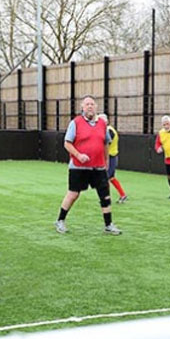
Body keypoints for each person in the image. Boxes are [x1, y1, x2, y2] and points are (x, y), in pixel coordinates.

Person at [55, 96, 121, 235]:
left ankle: (108, 225)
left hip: (98, 167)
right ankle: (60, 220)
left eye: (92, 104)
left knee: (105, 195)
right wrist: (78, 155)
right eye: (87, 104)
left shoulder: (102, 124)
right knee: (73, 194)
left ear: (96, 107)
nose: (90, 106)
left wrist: (106, 161)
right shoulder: (76, 123)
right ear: (82, 107)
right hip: (78, 167)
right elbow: (67, 143)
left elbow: (105, 143)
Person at [98, 113, 127, 203]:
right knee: (111, 178)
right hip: (109, 157)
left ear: (106, 121)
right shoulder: (106, 130)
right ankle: (121, 195)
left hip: (111, 157)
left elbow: (106, 144)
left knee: (107, 178)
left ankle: (107, 197)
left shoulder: (109, 131)